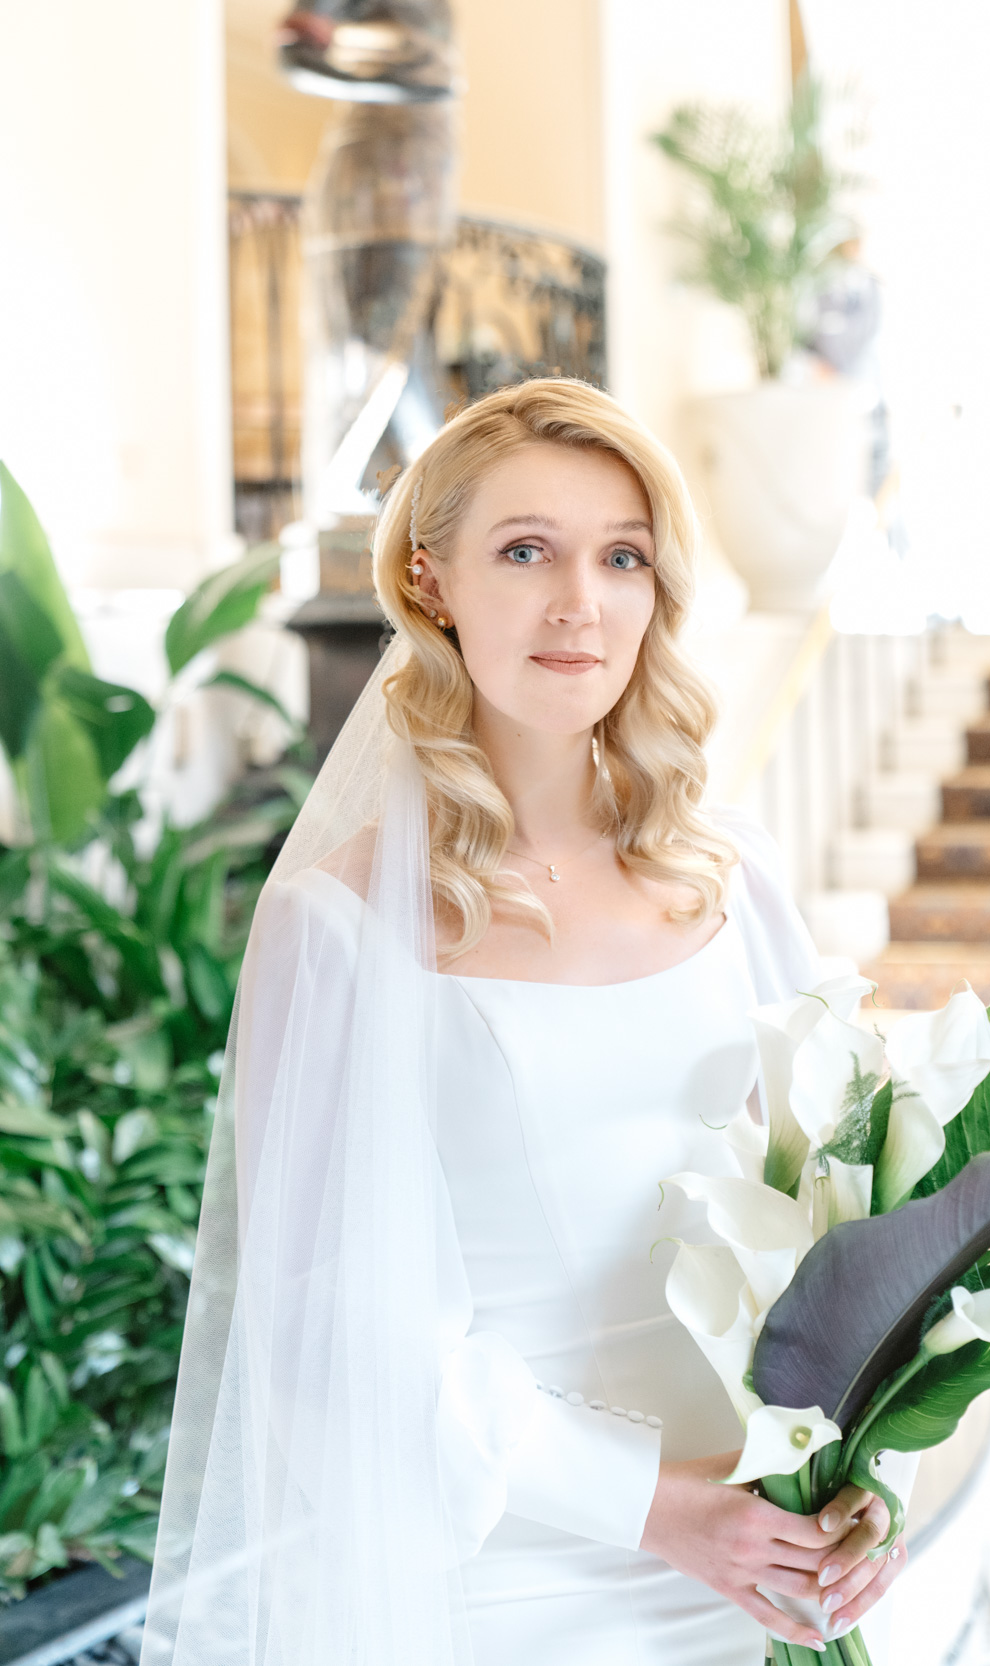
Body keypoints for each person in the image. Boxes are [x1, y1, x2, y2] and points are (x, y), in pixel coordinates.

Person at [141, 379, 907, 1666]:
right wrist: (662, 1513)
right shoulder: (340, 930)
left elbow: (842, 1219)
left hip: (767, 1573)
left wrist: (859, 1460)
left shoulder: (736, 884)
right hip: (517, 1589)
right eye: (525, 551)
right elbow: (333, 1351)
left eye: (621, 555)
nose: (580, 602)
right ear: (430, 579)